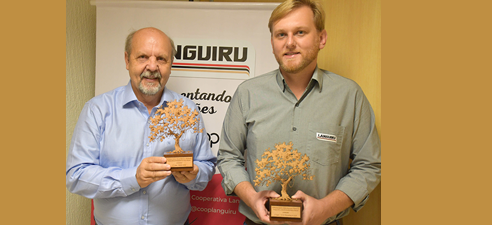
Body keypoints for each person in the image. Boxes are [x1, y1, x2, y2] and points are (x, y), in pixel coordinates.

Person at [216, 0, 381, 225]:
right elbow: (228, 157)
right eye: (281, 35)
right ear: (272, 41)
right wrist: (252, 198)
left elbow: (368, 165)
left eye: (300, 32)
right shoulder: (248, 94)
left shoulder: (349, 96)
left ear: (321, 38)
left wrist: (325, 208)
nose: (290, 43)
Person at [66, 27, 216, 225]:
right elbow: (76, 176)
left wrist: (193, 175)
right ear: (127, 60)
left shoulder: (188, 110)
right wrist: (132, 178)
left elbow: (206, 167)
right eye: (143, 57)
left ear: (171, 64)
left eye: (161, 59)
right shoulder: (98, 110)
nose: (152, 66)